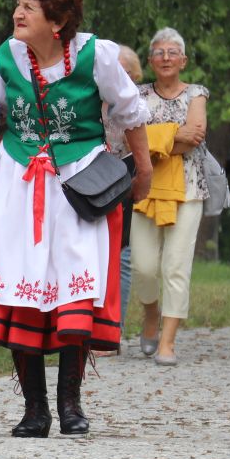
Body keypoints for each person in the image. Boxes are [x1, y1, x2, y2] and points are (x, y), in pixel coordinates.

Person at [0, 0, 150, 437]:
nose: (17, 12)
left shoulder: (96, 56)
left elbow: (131, 113)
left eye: (29, 6)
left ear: (58, 20)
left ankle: (70, 403)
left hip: (78, 183)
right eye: (18, 3)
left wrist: (143, 170)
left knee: (73, 286)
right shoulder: (7, 56)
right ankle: (34, 408)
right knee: (21, 285)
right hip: (18, 179)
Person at [131, 28, 209, 367]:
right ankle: (151, 313)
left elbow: (195, 138)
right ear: (149, 60)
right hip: (144, 186)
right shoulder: (136, 94)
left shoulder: (196, 94)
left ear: (184, 60)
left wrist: (152, 137)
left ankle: (168, 340)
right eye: (159, 52)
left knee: (176, 266)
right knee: (144, 266)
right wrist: (174, 134)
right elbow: (126, 137)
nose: (165, 58)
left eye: (172, 52)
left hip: (188, 190)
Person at [104, 45, 144, 354]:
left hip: (126, 178)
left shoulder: (137, 103)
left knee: (122, 256)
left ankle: (113, 330)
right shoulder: (89, 97)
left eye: (123, 70)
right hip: (89, 179)